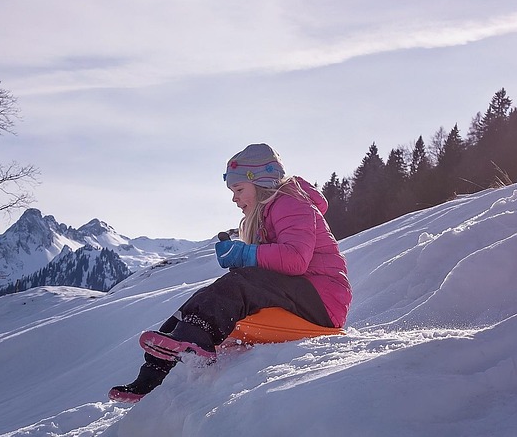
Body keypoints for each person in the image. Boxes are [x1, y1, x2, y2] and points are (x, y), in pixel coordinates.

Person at [109, 143, 352, 403]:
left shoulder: (291, 203)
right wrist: (246, 261)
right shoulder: (267, 214)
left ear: (261, 184)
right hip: (301, 296)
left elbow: (295, 260)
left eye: (239, 190)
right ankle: (152, 376)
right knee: (202, 299)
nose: (234, 198)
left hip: (322, 298)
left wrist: (245, 255)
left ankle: (195, 340)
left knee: (237, 285)